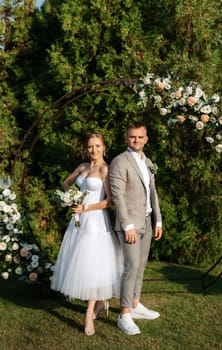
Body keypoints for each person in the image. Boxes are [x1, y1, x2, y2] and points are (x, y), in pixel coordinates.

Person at [51, 133, 122, 336]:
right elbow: (66, 183)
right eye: (90, 146)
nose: (93, 150)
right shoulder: (83, 167)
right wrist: (70, 198)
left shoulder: (105, 169)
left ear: (104, 147)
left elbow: (111, 200)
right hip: (78, 222)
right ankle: (100, 302)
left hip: (95, 221)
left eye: (97, 146)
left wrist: (86, 207)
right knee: (81, 264)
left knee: (92, 264)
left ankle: (89, 312)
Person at [109, 121, 163, 335]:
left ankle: (135, 304)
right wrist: (127, 225)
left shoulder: (147, 161)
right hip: (130, 224)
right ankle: (124, 314)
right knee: (131, 266)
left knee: (140, 265)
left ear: (146, 138)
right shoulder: (119, 162)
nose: (136, 140)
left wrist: (157, 220)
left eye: (140, 137)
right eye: (133, 137)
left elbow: (153, 192)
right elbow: (118, 196)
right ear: (126, 138)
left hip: (147, 221)